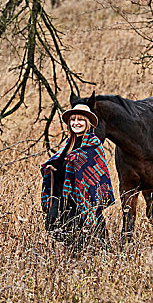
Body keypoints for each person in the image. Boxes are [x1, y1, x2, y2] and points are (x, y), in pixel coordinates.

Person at [40, 104, 115, 249]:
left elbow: (95, 173)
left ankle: (88, 255)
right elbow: (61, 163)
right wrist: (51, 168)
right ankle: (76, 249)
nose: (76, 123)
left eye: (80, 119)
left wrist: (74, 162)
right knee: (51, 225)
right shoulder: (68, 144)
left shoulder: (93, 145)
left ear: (88, 122)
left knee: (93, 234)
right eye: (73, 120)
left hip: (83, 196)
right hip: (62, 195)